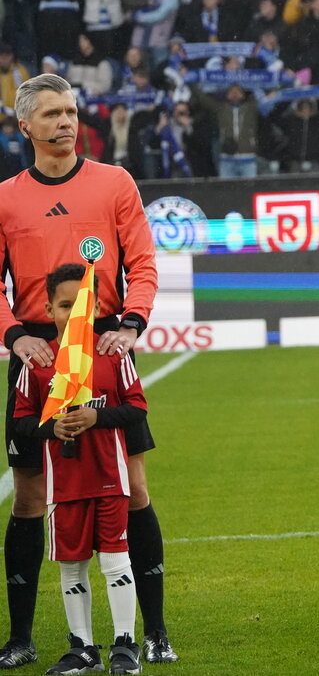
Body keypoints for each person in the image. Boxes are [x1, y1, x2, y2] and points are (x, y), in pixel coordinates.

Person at [0, 74, 175, 669]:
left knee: (132, 486)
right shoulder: (6, 197)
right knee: (29, 495)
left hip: (102, 348)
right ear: (24, 126)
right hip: (38, 353)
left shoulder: (114, 182)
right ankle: (21, 638)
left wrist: (131, 322)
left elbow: (144, 261)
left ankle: (153, 632)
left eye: (71, 111)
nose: (66, 122)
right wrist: (17, 335)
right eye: (50, 114)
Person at [12, 264, 148, 674]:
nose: (72, 313)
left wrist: (97, 419)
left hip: (110, 477)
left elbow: (138, 407)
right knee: (71, 565)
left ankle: (125, 645)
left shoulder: (111, 354)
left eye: (81, 305)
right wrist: (51, 427)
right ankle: (82, 647)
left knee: (114, 560)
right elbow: (20, 419)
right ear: (48, 308)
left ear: (97, 308)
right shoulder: (37, 361)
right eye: (64, 305)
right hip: (64, 484)